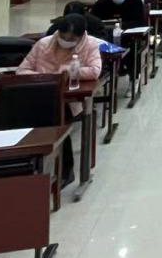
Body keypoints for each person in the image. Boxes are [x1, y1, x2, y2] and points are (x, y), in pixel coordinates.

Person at [17, 14, 103, 185]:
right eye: (63, 37)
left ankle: (65, 170)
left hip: (69, 100)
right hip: (39, 94)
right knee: (22, 116)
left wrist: (66, 71)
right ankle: (23, 166)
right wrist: (43, 77)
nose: (66, 41)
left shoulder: (90, 44)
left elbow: (94, 70)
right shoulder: (44, 44)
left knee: (56, 116)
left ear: (81, 36)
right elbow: (22, 70)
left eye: (72, 39)